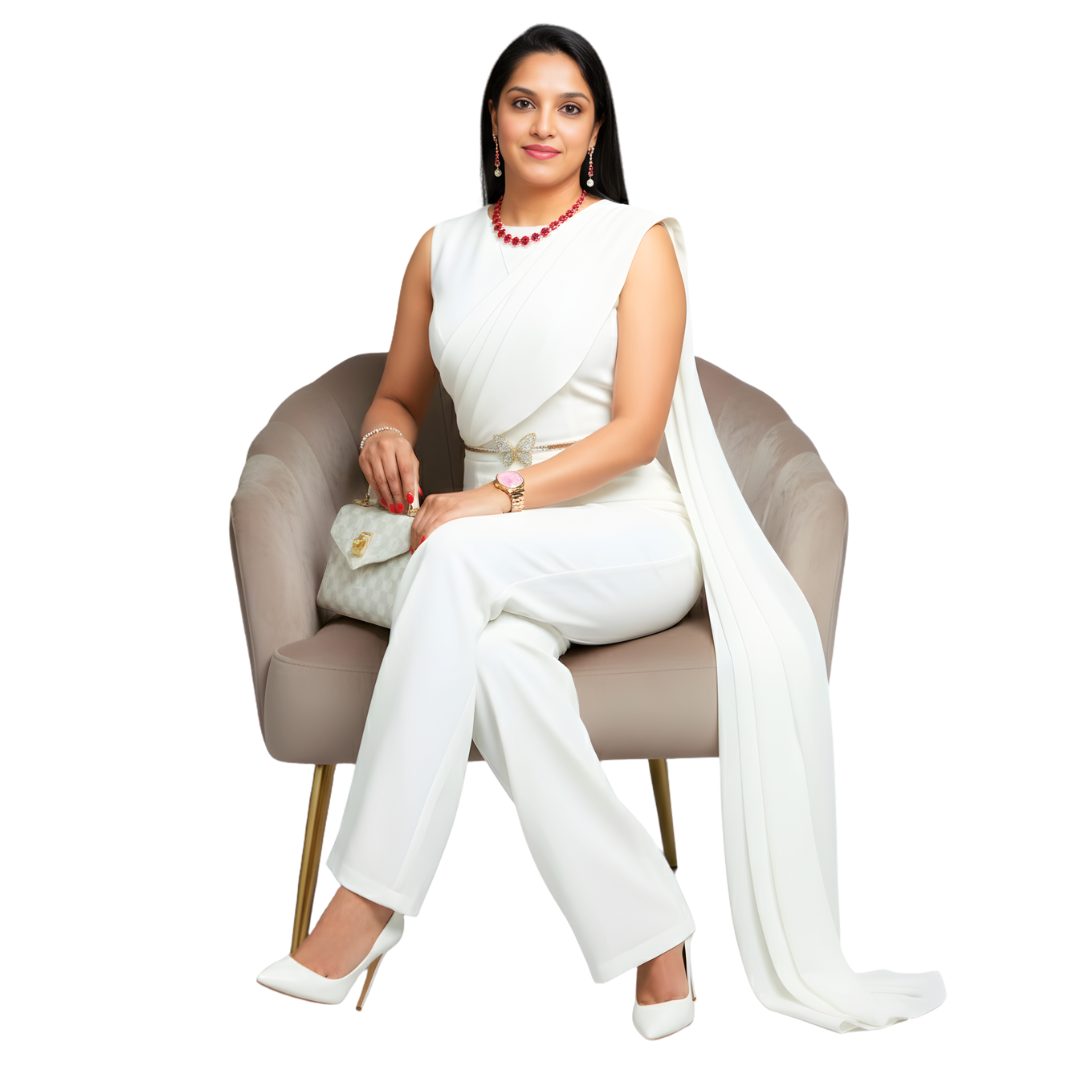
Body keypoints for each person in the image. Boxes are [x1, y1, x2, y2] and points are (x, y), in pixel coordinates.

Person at [257, 24, 945, 1039]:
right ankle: (654, 936)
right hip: (490, 544)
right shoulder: (440, 249)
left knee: (454, 558)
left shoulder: (638, 243)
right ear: (493, 122)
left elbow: (634, 435)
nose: (545, 124)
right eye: (523, 102)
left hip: (628, 532)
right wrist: (384, 434)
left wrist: (493, 500)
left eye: (570, 107)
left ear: (594, 132)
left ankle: (366, 900)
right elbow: (397, 392)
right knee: (498, 662)